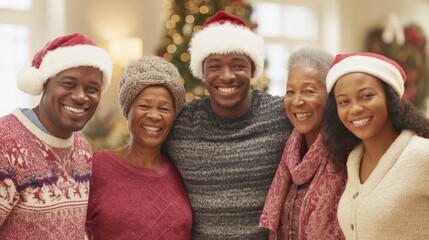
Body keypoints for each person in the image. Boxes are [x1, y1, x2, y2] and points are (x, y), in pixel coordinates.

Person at [164, 10, 293, 239]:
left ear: (253, 69)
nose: (226, 76)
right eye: (214, 66)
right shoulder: (180, 124)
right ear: (201, 71)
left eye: (238, 65)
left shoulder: (282, 116)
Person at [0, 32, 112, 239]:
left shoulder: (82, 146)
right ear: (44, 84)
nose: (80, 96)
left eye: (92, 88)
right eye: (69, 84)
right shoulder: (4, 143)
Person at [322, 52, 429, 239]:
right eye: (344, 101)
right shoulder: (354, 159)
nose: (355, 108)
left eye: (366, 96)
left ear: (390, 98)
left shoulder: (421, 155)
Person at [85, 56, 192, 240]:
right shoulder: (97, 167)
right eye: (144, 106)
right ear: (128, 111)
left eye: (164, 109)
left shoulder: (183, 171)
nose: (154, 115)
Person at [259, 47, 346, 240]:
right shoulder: (289, 153)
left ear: (331, 95)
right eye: (290, 92)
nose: (297, 101)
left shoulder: (347, 153)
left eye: (308, 91)